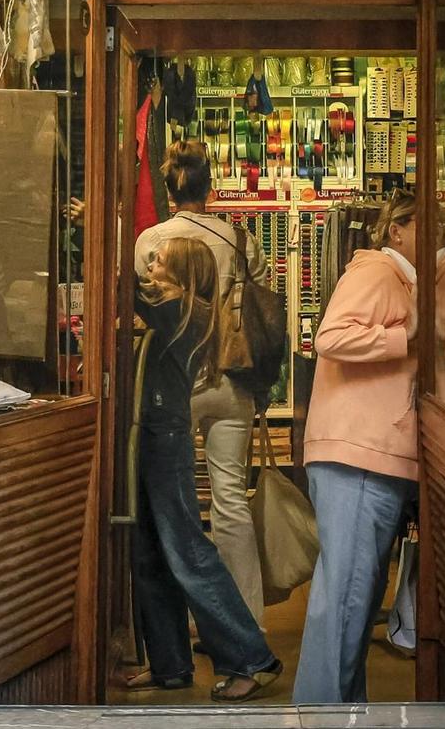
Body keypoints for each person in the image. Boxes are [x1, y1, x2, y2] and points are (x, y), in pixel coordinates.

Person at [123, 237, 282, 702]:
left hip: (162, 437)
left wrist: (108, 229)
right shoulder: (184, 310)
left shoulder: (184, 310)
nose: (152, 262)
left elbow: (125, 289)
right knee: (151, 552)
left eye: (161, 258)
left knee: (188, 551)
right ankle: (171, 664)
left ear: (185, 272)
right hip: (152, 434)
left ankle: (253, 658)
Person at [133, 141, 275, 620]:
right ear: (209, 186)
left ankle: (197, 617)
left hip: (176, 381)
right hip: (231, 379)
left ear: (170, 187)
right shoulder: (240, 240)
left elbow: (146, 304)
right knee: (231, 501)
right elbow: (260, 300)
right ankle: (247, 619)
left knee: (177, 503)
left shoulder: (153, 240)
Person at [292, 190, 420, 705]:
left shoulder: (398, 278)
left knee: (353, 600)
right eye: (424, 224)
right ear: (397, 230)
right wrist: (405, 338)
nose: (441, 233)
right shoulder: (377, 273)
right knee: (345, 598)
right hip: (357, 453)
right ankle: (319, 714)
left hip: (364, 451)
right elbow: (332, 337)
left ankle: (339, 711)